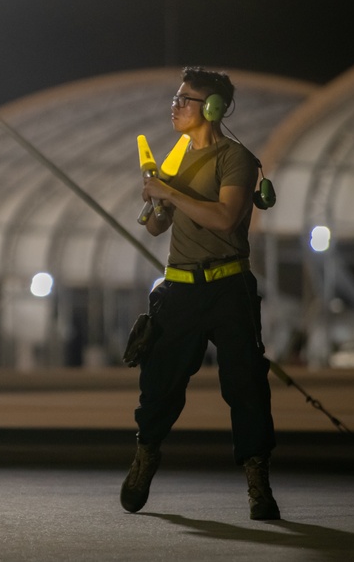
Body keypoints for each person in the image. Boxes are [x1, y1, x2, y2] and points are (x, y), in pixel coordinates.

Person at [119, 67, 280, 521]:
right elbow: (156, 227)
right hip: (181, 287)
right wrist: (154, 200)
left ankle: (257, 481)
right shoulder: (175, 158)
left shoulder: (237, 159)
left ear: (212, 108)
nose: (175, 105)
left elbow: (226, 218)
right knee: (158, 386)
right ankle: (146, 455)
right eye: (175, 97)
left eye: (185, 99)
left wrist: (168, 189)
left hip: (230, 286)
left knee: (246, 386)